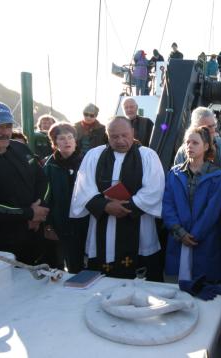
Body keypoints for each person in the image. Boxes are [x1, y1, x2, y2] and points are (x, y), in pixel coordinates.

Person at [69, 116, 165, 281]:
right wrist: (105, 206)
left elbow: (155, 189)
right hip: (102, 224)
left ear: (132, 133)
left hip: (138, 225)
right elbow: (83, 188)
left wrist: (128, 206)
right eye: (114, 136)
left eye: (124, 135)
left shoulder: (147, 156)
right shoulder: (94, 155)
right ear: (107, 135)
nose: (120, 140)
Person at [0, 101, 49, 265]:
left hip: (35, 236)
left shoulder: (20, 148)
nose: (5, 132)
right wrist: (29, 213)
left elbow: (42, 180)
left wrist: (38, 210)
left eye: (8, 125)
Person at [163, 126, 221, 293]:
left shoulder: (217, 176)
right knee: (175, 289)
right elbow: (168, 206)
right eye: (187, 142)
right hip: (179, 238)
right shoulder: (174, 174)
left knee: (202, 289)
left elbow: (212, 212)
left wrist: (195, 235)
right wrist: (180, 232)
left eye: (195, 142)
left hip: (204, 241)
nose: (189, 146)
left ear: (206, 146)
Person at [43, 123, 88, 273]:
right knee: (71, 265)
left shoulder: (87, 162)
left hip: (86, 220)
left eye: (70, 137)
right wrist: (48, 225)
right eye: (61, 138)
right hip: (62, 222)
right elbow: (45, 198)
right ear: (55, 143)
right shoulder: (49, 167)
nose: (67, 141)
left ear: (75, 141)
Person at [174, 107, 221, 189]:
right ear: (195, 128)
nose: (213, 130)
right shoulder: (183, 152)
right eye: (207, 128)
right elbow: (177, 183)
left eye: (213, 126)